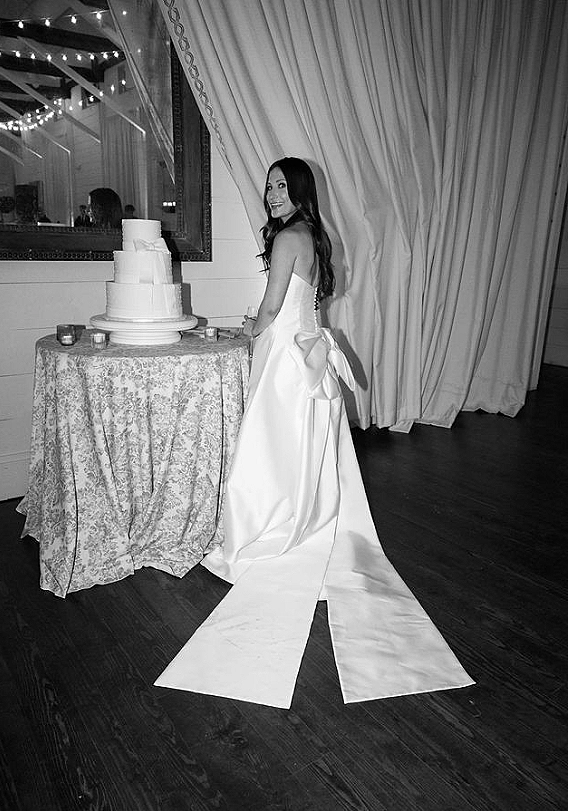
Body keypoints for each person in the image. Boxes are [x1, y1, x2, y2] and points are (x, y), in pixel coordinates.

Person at [155, 157, 473, 708]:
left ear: (299, 190)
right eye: (269, 186)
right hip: (307, 358)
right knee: (304, 452)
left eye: (281, 185)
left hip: (285, 362)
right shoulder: (314, 237)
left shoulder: (286, 240)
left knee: (268, 453)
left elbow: (273, 308)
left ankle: (271, 526)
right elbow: (306, 306)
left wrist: (239, 332)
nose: (272, 193)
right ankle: (306, 519)